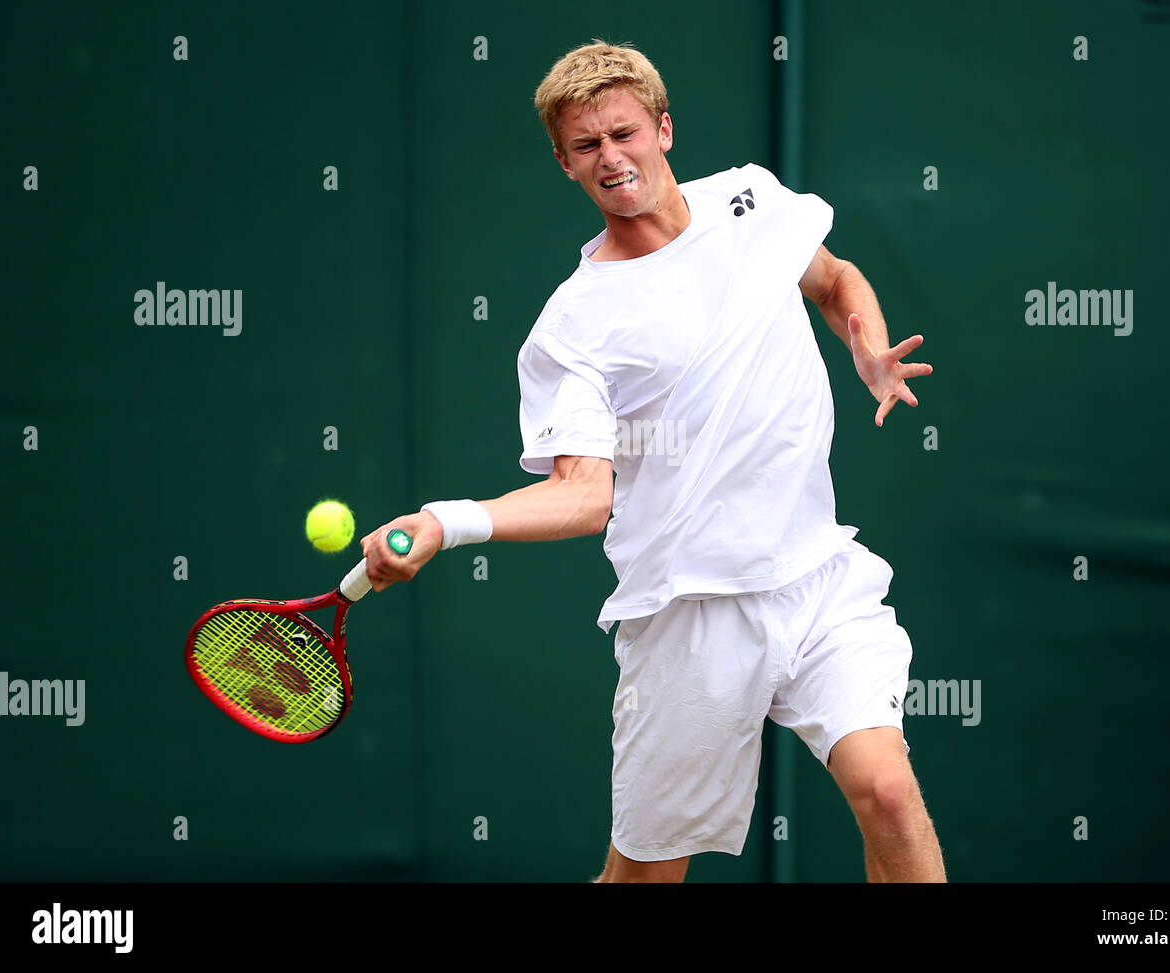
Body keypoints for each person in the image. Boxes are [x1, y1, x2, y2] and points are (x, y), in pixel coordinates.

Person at [360, 39, 945, 883]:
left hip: (817, 573)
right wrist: (445, 523)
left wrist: (870, 349)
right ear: (564, 163)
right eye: (587, 146)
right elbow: (582, 493)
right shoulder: (572, 327)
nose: (612, 157)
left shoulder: (751, 199)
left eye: (625, 133)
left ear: (664, 129)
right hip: (689, 612)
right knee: (645, 877)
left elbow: (832, 277)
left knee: (889, 793)